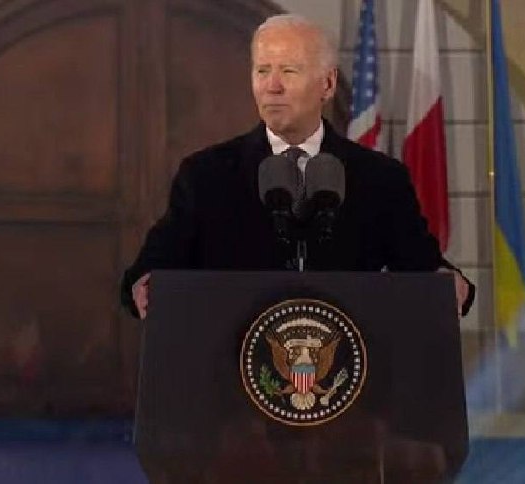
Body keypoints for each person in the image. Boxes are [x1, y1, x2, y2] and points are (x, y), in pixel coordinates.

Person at [121, 14, 474, 319]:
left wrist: (447, 282)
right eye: (262, 71)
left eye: (288, 71)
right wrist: (143, 284)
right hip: (234, 364)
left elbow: (420, 267)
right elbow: (153, 268)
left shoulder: (379, 178)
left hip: (348, 364)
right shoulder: (205, 176)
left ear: (328, 84)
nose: (272, 86)